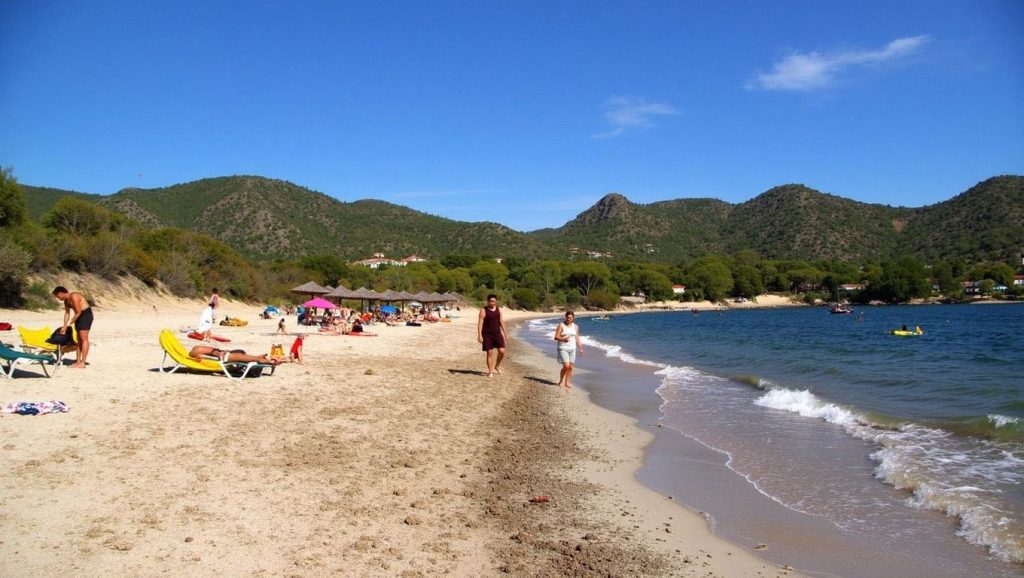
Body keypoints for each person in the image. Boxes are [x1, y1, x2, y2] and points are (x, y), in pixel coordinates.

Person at [52, 286, 93, 368]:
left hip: (86, 315)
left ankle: (83, 362)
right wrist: (64, 326)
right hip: (78, 316)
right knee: (78, 339)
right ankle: (78, 361)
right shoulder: (66, 301)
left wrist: (72, 321)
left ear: (61, 293)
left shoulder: (74, 296)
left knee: (83, 338)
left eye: (58, 296)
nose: (58, 298)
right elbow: (67, 313)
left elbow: (78, 311)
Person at [477, 294, 509, 377]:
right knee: (489, 352)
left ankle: (497, 366)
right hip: (487, 335)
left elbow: (501, 322)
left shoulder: (499, 310)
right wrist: (479, 335)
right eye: (491, 301)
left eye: (494, 301)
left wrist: (505, 334)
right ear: (488, 301)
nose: (493, 303)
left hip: (497, 334)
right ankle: (490, 371)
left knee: (502, 351)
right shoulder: (483, 310)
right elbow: (480, 323)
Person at [553, 310, 584, 388]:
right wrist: (563, 339)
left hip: (572, 349)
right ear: (566, 317)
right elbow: (556, 337)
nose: (569, 319)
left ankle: (567, 383)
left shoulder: (576, 326)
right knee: (566, 366)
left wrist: (581, 348)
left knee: (570, 367)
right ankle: (561, 381)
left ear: (573, 318)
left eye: (571, 317)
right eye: (568, 317)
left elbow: (577, 337)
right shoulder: (561, 325)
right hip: (563, 348)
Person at [188, 345, 275, 364]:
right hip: (223, 356)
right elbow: (198, 357)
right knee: (241, 355)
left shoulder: (195, 350)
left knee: (241, 354)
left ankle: (258, 357)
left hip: (223, 355)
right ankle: (259, 358)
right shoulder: (195, 351)